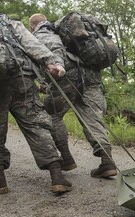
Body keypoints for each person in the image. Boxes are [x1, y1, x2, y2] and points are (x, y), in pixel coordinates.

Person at [0, 9, 72, 195]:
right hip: (21, 78)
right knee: (36, 124)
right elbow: (31, 43)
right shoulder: (9, 24)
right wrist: (51, 62)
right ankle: (57, 177)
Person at [29, 13, 118, 179]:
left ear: (31, 27)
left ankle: (67, 158)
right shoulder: (67, 31)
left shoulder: (42, 32)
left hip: (66, 75)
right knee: (92, 116)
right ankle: (107, 161)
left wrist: (59, 68)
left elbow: (54, 50)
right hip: (90, 74)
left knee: (53, 116)